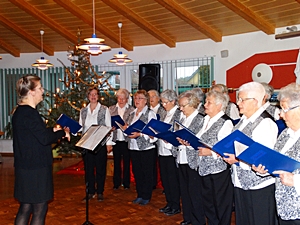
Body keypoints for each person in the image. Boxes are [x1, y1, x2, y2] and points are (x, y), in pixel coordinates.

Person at [12, 75, 70, 225]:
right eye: (39, 88)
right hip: (36, 168)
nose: (43, 91)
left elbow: (36, 134)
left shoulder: (20, 112)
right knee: (39, 209)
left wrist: (53, 129)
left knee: (25, 206)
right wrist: (62, 132)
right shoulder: (30, 113)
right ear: (31, 92)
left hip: (25, 167)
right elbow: (44, 139)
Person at [223, 81, 279, 225]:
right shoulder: (243, 121)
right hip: (240, 181)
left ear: (255, 101)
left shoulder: (265, 123)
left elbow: (263, 158)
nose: (238, 103)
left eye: (242, 99)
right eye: (238, 99)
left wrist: (237, 160)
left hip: (259, 186)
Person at [255, 83, 300, 224]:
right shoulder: (285, 134)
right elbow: (276, 161)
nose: (280, 114)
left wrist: (296, 181)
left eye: (284, 109)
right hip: (283, 208)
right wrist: (264, 169)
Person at [194, 90, 233, 225]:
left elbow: (227, 148)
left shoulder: (226, 122)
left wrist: (210, 152)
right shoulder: (206, 119)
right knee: (208, 202)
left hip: (218, 170)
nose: (205, 105)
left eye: (209, 102)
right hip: (204, 167)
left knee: (221, 204)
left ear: (219, 105)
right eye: (206, 102)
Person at [175, 91, 206, 225]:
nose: (181, 109)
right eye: (180, 106)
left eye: (183, 106)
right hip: (181, 157)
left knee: (195, 193)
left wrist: (188, 142)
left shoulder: (200, 118)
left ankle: (198, 220)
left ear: (192, 104)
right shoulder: (182, 118)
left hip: (193, 160)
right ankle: (187, 218)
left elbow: (200, 139)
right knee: (185, 191)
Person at [79, 87, 113, 202]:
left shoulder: (104, 109)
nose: (93, 97)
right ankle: (90, 192)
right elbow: (81, 127)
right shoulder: (83, 110)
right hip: (87, 143)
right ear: (88, 96)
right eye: (91, 94)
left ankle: (100, 192)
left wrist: (109, 143)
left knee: (100, 169)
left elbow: (108, 127)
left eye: (95, 94)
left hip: (99, 143)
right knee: (88, 169)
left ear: (98, 96)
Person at [126, 90, 157, 205]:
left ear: (146, 101)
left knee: (146, 173)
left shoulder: (150, 114)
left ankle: (146, 195)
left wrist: (139, 134)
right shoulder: (132, 113)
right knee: (137, 172)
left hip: (146, 148)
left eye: (140, 98)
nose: (137, 100)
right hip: (133, 147)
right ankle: (139, 194)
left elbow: (153, 133)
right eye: (135, 98)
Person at [157, 89, 181, 216]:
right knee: (165, 179)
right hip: (162, 150)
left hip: (172, 151)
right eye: (162, 102)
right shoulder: (163, 112)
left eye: (165, 102)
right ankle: (169, 203)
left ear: (173, 101)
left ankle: (175, 205)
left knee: (173, 180)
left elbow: (178, 131)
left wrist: (169, 137)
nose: (163, 105)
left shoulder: (178, 113)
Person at [109, 88, 134, 190]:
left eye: (123, 98)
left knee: (127, 162)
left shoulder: (131, 110)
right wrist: (111, 127)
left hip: (127, 139)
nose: (121, 100)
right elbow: (108, 122)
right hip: (116, 139)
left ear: (127, 99)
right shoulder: (111, 109)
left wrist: (127, 126)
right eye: (119, 98)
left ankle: (126, 183)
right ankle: (116, 183)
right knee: (116, 162)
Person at [148, 89, 166, 189]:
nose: (151, 99)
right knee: (151, 163)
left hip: (160, 140)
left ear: (158, 98)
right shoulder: (146, 110)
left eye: (153, 96)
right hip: (149, 140)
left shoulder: (163, 110)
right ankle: (152, 182)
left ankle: (163, 184)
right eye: (149, 97)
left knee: (161, 164)